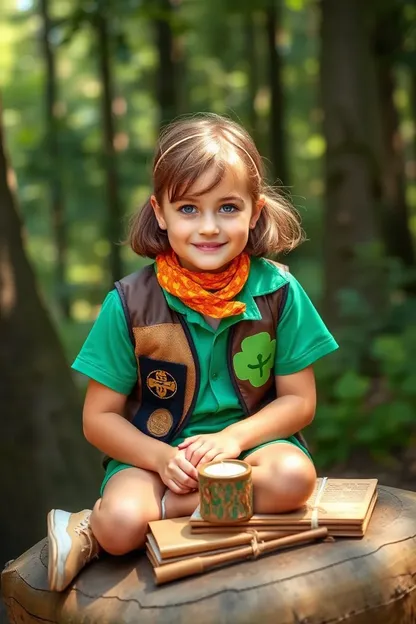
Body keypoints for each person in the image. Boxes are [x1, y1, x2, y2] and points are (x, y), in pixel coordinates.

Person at [47, 113, 338, 592]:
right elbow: (98, 419)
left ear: (255, 210)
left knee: (292, 479)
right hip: (151, 459)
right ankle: (88, 525)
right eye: (188, 209)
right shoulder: (130, 303)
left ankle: (172, 513)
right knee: (120, 527)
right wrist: (161, 460)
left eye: (227, 208)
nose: (208, 228)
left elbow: (299, 402)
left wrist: (234, 440)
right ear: (159, 212)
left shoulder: (278, 291)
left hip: (251, 453)